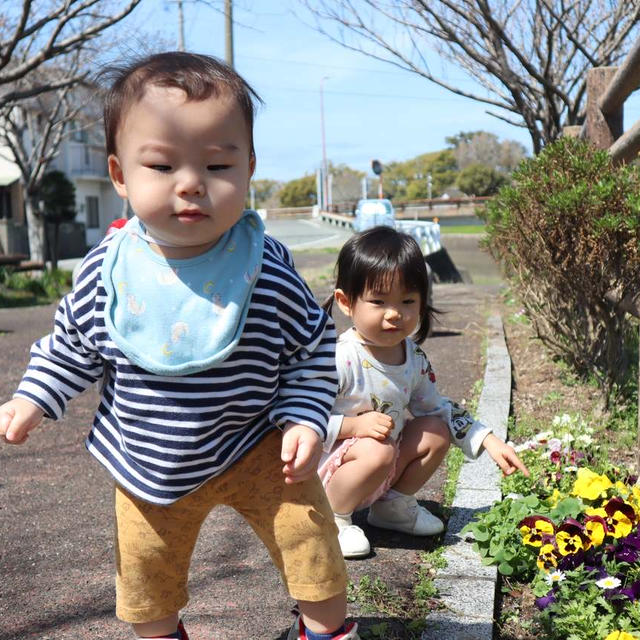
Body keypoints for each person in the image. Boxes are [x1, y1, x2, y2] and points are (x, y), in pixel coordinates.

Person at [0, 52, 359, 640]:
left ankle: (324, 631)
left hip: (259, 444)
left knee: (312, 547)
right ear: (119, 175)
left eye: (218, 163)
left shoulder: (264, 269)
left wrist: (304, 418)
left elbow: (311, 348)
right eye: (162, 165)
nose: (191, 183)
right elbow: (71, 347)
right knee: (146, 583)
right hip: (148, 463)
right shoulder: (107, 273)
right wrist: (33, 397)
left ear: (248, 169)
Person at [319, 226, 529, 558]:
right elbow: (302, 420)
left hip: (379, 464)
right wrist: (353, 427)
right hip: (330, 474)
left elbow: (434, 407)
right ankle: (334, 517)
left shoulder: (413, 358)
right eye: (378, 301)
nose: (394, 313)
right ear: (347, 302)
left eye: (407, 301)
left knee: (434, 430)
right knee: (378, 451)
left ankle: (391, 507)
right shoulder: (340, 358)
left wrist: (486, 438)